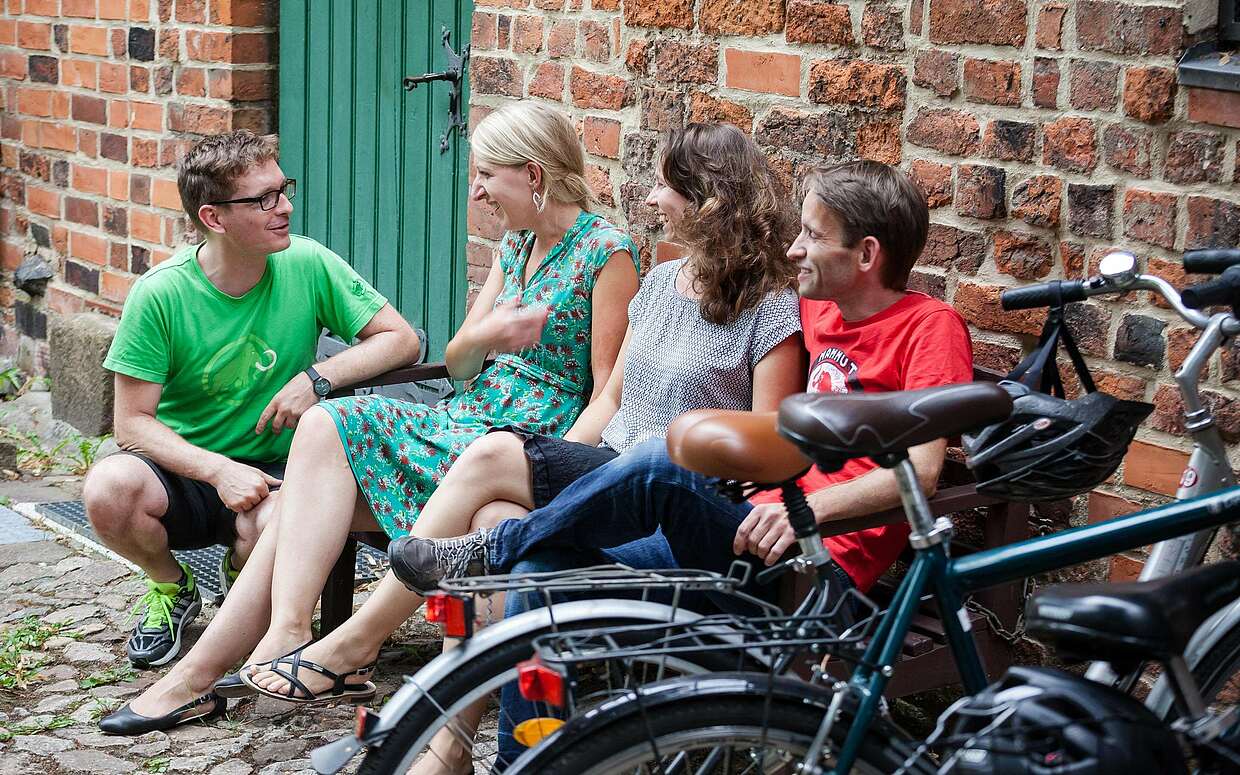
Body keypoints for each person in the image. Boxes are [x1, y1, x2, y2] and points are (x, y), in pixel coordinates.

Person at [242, 123, 806, 771]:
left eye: (664, 186)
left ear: (707, 201)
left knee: (538, 542)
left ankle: (368, 646)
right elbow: (614, 401)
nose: (650, 199)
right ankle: (513, 758)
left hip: (686, 509)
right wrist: (554, 464)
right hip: (611, 479)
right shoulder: (662, 282)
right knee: (501, 480)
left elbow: (772, 442)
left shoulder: (770, 308)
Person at [388, 159, 976, 769]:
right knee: (541, 576)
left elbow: (923, 472)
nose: (795, 249)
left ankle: (494, 548)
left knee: (661, 463)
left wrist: (811, 512)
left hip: (805, 568)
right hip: (738, 535)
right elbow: (733, 318)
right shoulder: (819, 313)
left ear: (867, 254)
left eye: (813, 235)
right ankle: (523, 764)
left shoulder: (929, 328)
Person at [99, 101, 639, 736]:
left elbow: (608, 394)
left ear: (533, 174)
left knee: (314, 474)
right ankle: (285, 631)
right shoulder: (515, 246)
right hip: (469, 416)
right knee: (327, 427)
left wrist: (546, 471)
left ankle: (208, 675)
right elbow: (460, 364)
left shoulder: (608, 253)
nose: (477, 191)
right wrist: (487, 333)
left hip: (530, 442)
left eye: (486, 175)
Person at [82, 130, 421, 671]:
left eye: (283, 189)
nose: (284, 207)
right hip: (185, 469)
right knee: (108, 488)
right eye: (263, 199)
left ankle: (242, 578)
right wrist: (218, 471)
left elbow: (400, 339)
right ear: (214, 218)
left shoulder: (307, 263)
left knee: (290, 520)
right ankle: (172, 586)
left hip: (277, 473)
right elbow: (132, 424)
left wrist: (318, 376)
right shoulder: (161, 295)